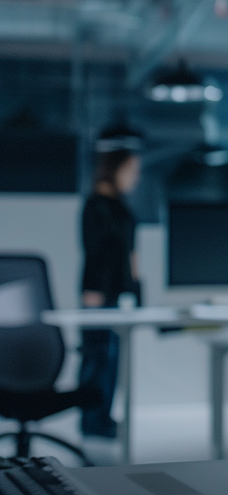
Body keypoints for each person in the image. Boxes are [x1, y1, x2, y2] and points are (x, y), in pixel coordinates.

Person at [78, 140, 142, 442]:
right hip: (98, 292)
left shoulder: (121, 206)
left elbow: (129, 252)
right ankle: (91, 419)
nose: (135, 177)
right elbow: (95, 252)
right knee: (96, 357)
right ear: (114, 169)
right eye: (131, 170)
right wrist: (93, 291)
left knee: (112, 356)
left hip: (119, 292)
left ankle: (103, 417)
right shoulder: (96, 205)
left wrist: (135, 288)